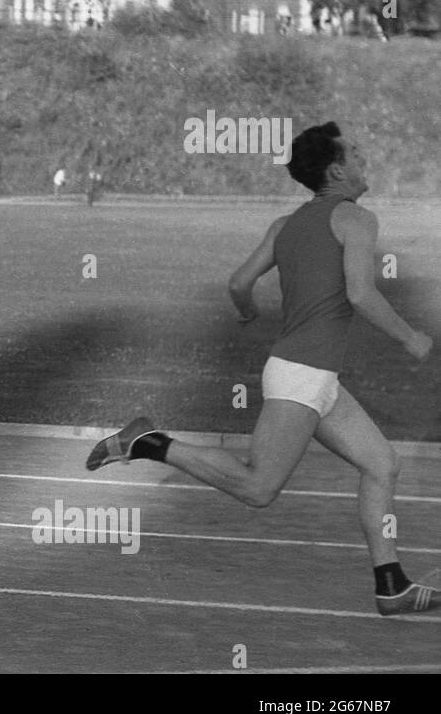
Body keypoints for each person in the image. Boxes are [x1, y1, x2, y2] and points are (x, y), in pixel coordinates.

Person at [87, 122, 437, 616]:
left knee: (382, 464)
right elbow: (360, 293)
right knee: (258, 488)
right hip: (304, 375)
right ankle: (146, 442)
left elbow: (238, 283)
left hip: (312, 376)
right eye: (356, 155)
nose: (365, 162)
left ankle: (391, 583)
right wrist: (411, 336)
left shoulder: (285, 225)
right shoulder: (356, 220)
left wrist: (249, 313)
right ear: (336, 169)